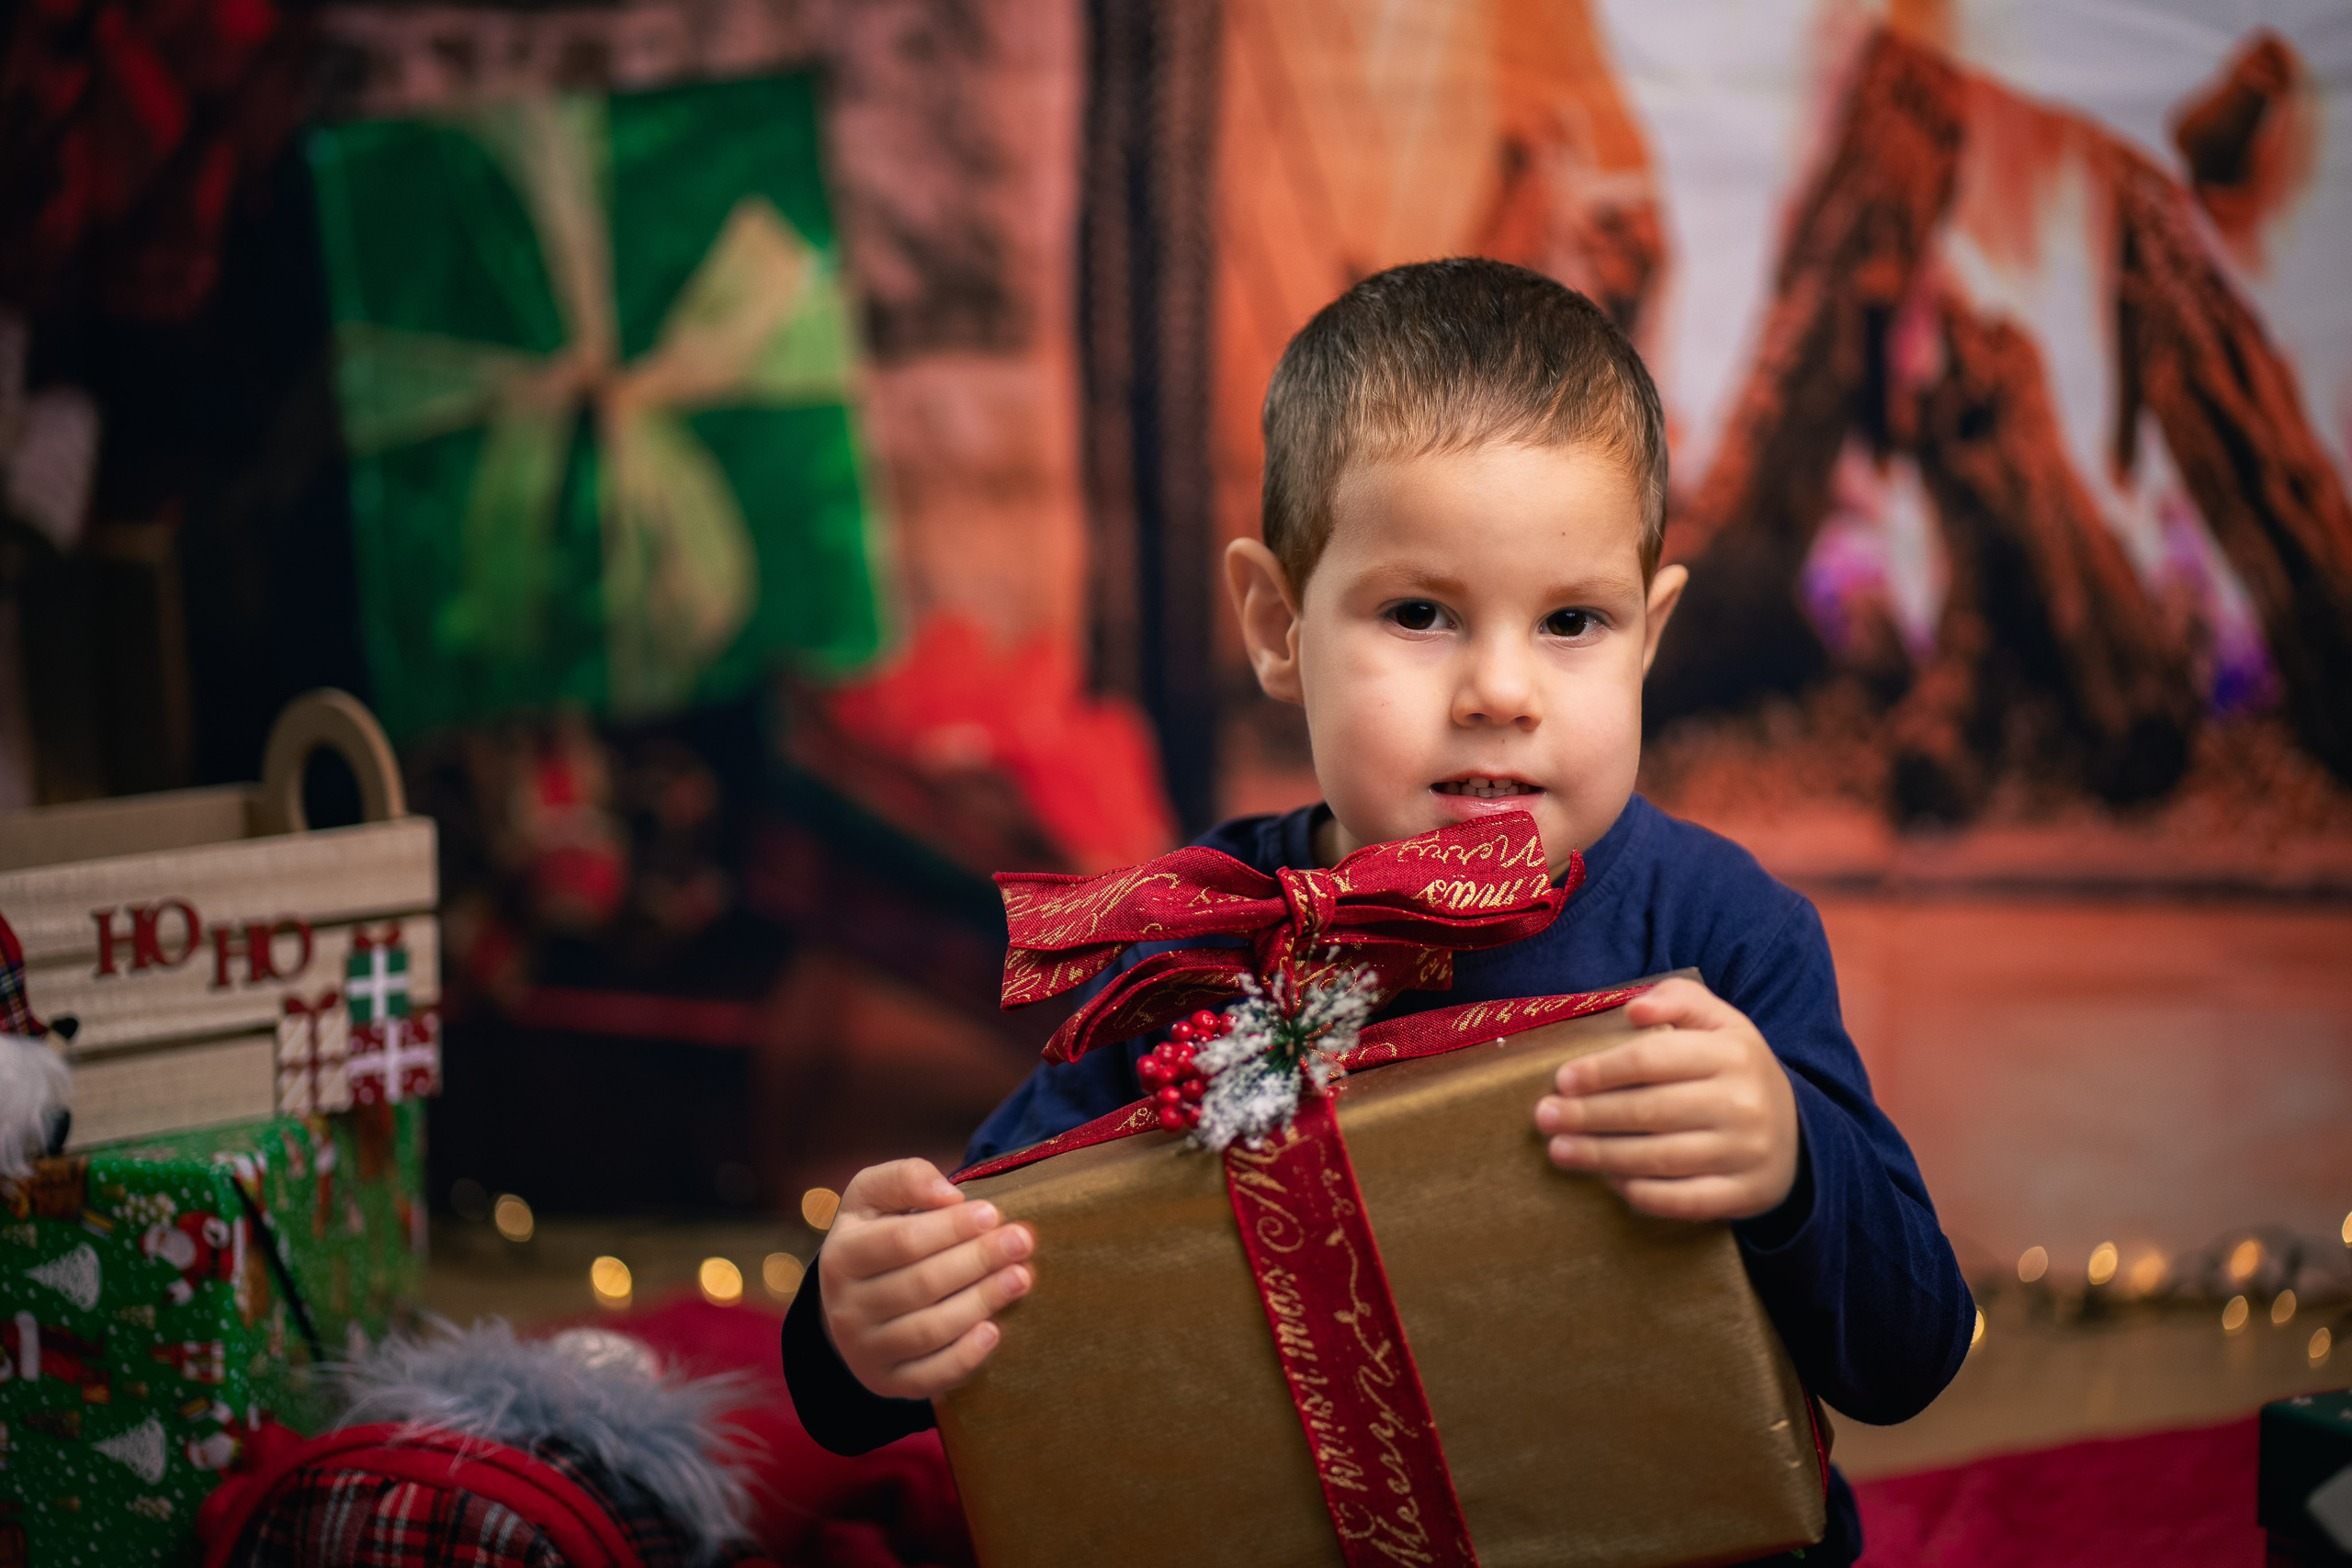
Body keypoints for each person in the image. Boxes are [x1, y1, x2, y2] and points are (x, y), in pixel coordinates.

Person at [781, 257, 1973, 1565]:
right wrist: (860, 1324)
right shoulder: (1199, 943)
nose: (1502, 691)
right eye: (1419, 614)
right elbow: (994, 1260)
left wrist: (1792, 1159)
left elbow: (1908, 1354)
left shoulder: (1723, 934)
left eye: (1574, 621)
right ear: (1278, 624)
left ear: (1651, 637)